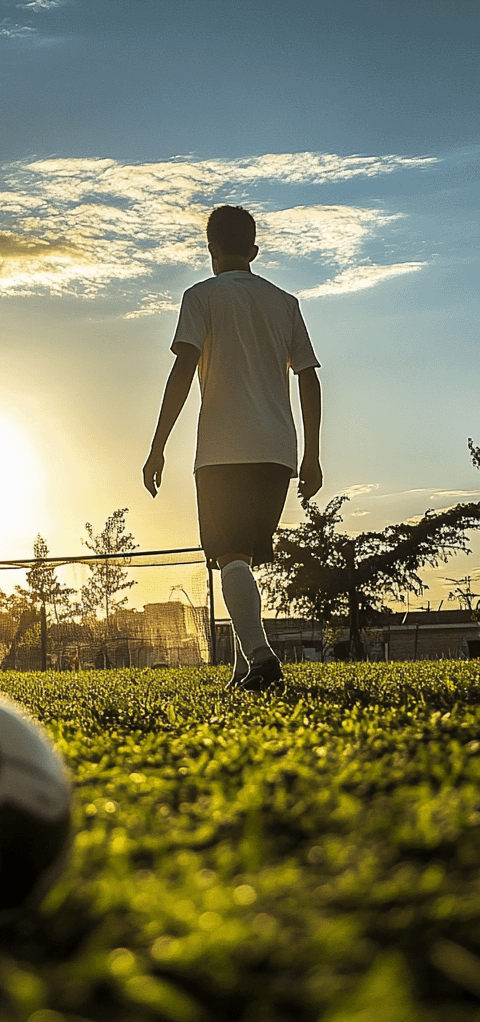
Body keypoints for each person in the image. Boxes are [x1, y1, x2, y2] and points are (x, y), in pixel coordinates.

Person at [143, 205, 323, 693]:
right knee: (240, 557)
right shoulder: (284, 302)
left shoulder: (200, 297)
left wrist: (158, 445)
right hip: (277, 452)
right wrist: (312, 454)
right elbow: (308, 375)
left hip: (222, 450)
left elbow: (182, 371)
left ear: (211, 251)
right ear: (255, 251)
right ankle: (243, 669)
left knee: (230, 555)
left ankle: (262, 659)